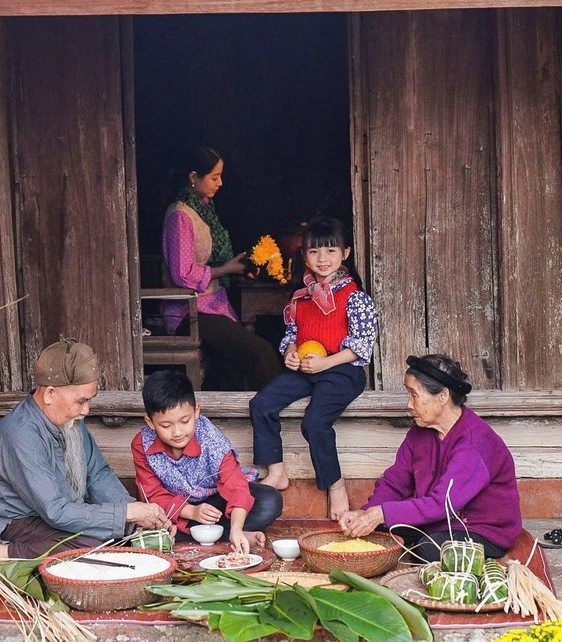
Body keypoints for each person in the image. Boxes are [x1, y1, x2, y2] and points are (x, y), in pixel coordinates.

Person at [0, 338, 173, 559]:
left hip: (52, 515)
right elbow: (55, 511)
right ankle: (1, 551)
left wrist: (137, 514)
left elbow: (98, 475)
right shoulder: (21, 434)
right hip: (13, 521)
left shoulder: (72, 420)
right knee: (95, 547)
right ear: (49, 394)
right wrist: (127, 514)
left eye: (90, 400)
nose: (86, 410)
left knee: (120, 535)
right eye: (81, 401)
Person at [250, 217, 379, 520]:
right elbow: (291, 336)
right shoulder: (301, 297)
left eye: (330, 251)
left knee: (314, 423)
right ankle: (277, 471)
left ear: (345, 253)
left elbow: (362, 346)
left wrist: (327, 362)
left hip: (342, 369)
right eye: (314, 252)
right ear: (305, 255)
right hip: (307, 367)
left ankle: (335, 485)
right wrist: (291, 354)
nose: (322, 259)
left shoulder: (355, 297)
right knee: (261, 404)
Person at [338, 354, 522, 562]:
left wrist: (381, 513)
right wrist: (365, 514)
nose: (408, 404)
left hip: (479, 530)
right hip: (437, 523)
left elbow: (442, 504)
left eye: (414, 395)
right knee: (377, 530)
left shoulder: (474, 443)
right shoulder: (421, 431)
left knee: (427, 550)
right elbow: (396, 482)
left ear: (443, 396)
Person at [160, 145, 281, 391]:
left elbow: (209, 259)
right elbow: (181, 273)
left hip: (210, 305)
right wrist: (225, 270)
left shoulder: (203, 210)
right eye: (214, 177)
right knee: (260, 351)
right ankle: (274, 413)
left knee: (237, 362)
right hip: (188, 312)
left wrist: (237, 267)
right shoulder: (180, 215)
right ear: (194, 177)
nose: (220, 183)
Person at [132, 370, 283, 553]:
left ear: (196, 412)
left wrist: (236, 527)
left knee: (269, 501)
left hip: (216, 501)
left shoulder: (212, 441)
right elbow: (152, 494)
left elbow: (236, 487)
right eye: (166, 426)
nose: (177, 432)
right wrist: (191, 511)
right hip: (178, 509)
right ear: (150, 422)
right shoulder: (142, 444)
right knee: (156, 524)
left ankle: (233, 532)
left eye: (185, 421)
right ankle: (227, 535)